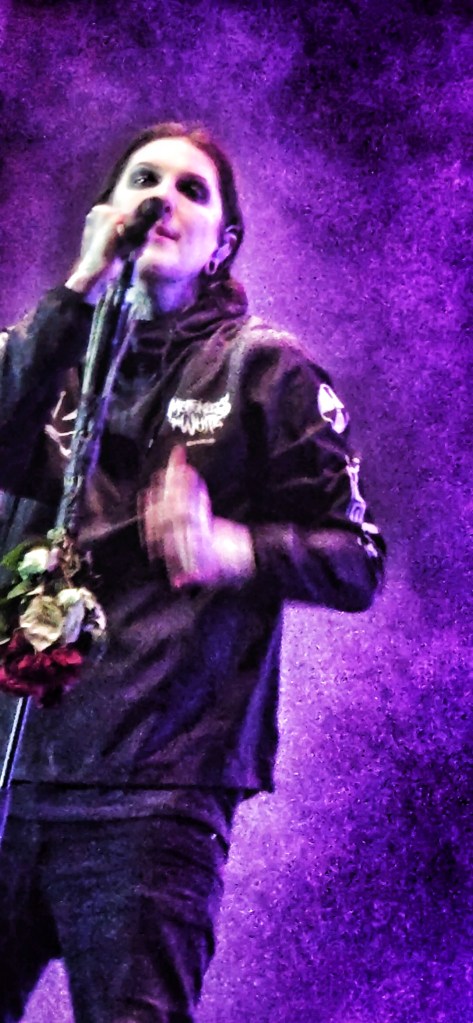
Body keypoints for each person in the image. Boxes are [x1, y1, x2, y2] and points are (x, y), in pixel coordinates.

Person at [0, 122, 386, 1022]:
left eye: (190, 189)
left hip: (151, 795)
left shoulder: (263, 368)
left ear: (223, 242)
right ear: (104, 214)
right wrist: (80, 284)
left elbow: (357, 558)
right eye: (141, 180)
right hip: (14, 777)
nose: (160, 200)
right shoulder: (49, 354)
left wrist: (233, 547)